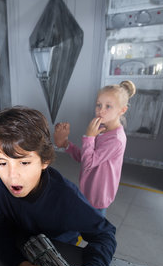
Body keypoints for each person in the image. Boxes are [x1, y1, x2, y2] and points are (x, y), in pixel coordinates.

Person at [0, 107, 117, 266]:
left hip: (60, 257)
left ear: (44, 160)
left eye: (24, 163)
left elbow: (105, 234)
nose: (12, 176)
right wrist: (17, 264)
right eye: (3, 163)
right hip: (20, 252)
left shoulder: (66, 196)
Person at [53, 81, 136, 215]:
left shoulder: (116, 139)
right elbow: (86, 156)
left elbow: (88, 163)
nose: (100, 110)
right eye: (98, 104)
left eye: (108, 106)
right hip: (88, 188)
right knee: (82, 221)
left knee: (93, 230)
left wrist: (89, 137)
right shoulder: (102, 128)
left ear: (122, 110)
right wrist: (66, 144)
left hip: (99, 195)